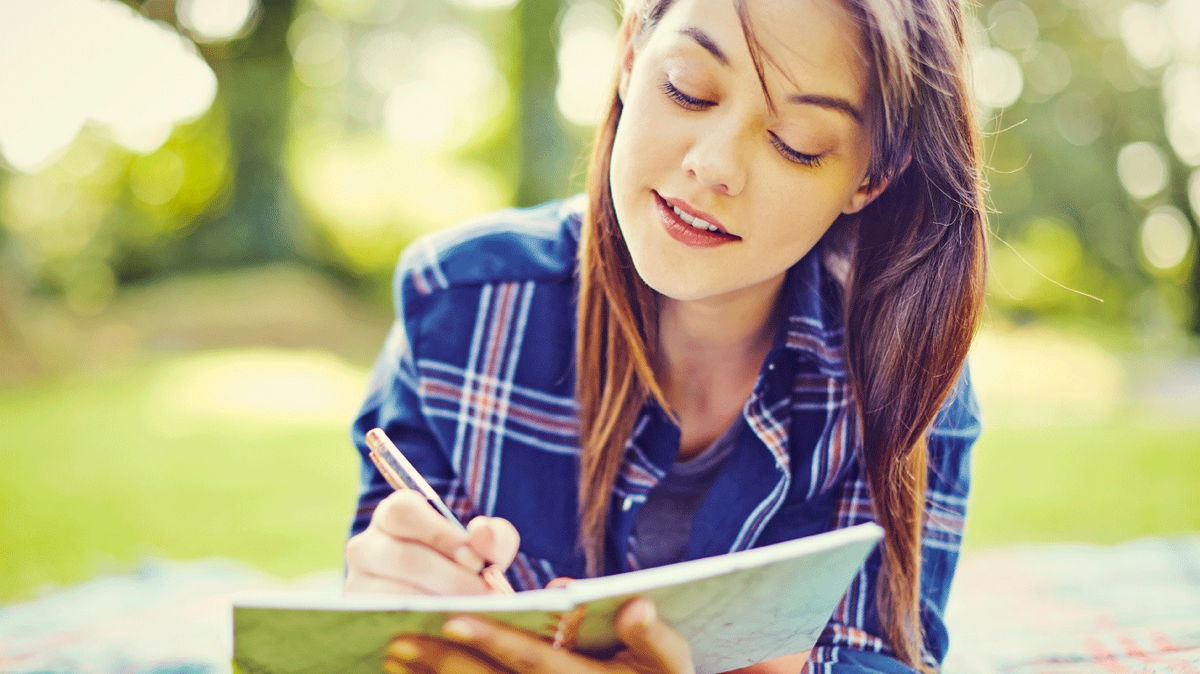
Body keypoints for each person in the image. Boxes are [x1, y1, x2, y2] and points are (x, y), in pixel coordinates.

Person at [343, 0, 987, 669]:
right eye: (689, 87)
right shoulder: (457, 305)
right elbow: (381, 627)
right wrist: (383, 608)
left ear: (872, 177)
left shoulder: (905, 370)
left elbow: (885, 654)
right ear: (629, 57)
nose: (714, 166)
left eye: (798, 141)